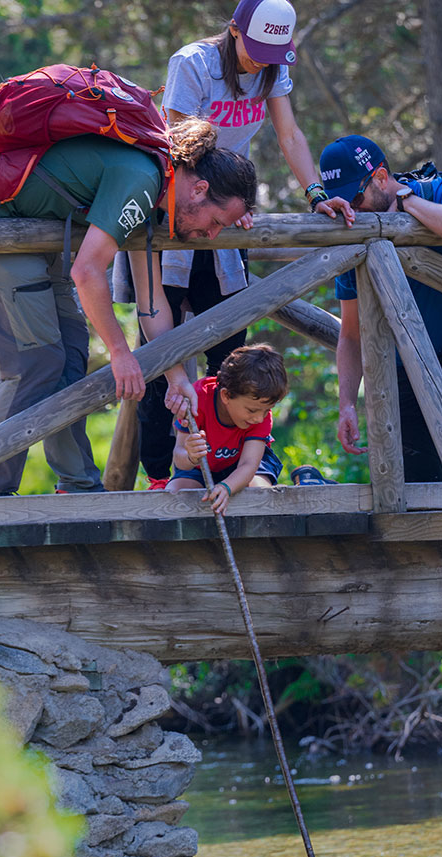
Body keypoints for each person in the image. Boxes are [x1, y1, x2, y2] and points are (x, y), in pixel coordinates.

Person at [0, 118, 256, 496]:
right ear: (200, 189)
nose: (212, 235)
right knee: (36, 359)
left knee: (71, 352)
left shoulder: (158, 194)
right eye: (218, 221)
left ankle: (78, 487)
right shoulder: (142, 181)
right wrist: (120, 353)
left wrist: (177, 378)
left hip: (35, 230)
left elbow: (152, 304)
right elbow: (87, 271)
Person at [134, 0, 354, 491]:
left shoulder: (272, 71)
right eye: (255, 49)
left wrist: (316, 193)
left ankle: (233, 470)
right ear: (233, 30)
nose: (261, 60)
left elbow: (289, 133)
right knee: (159, 353)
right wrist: (220, 198)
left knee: (230, 349)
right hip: (181, 210)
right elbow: (180, 143)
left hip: (226, 218)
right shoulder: (193, 63)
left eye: (272, 52)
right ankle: (157, 475)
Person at [319, 134, 442, 483]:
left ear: (381, 177)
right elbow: (351, 336)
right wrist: (347, 404)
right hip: (404, 368)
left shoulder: (441, 187)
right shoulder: (351, 233)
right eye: (342, 202)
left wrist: (409, 204)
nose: (352, 209)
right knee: (418, 486)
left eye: (356, 196)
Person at [166, 343, 287, 514]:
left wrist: (226, 487)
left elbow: (248, 464)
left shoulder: (260, 414)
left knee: (259, 493)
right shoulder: (197, 399)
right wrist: (191, 456)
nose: (259, 418)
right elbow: (179, 459)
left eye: (267, 410)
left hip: (245, 466)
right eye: (252, 410)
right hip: (200, 468)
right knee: (175, 494)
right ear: (226, 395)